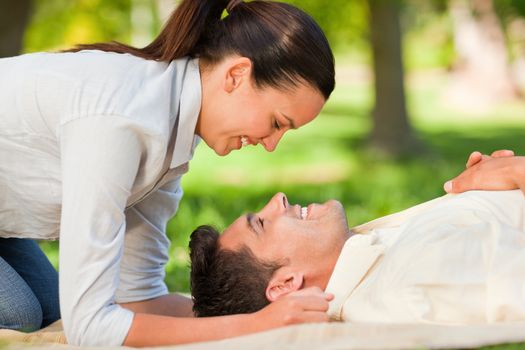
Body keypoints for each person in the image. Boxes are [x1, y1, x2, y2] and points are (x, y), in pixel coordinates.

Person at [0, 0, 335, 346]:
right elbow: (90, 327)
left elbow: (138, 298)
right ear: (236, 76)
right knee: (21, 314)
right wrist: (255, 326)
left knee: (52, 311)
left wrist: (269, 314)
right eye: (277, 122)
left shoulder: (171, 137)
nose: (271, 145)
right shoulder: (123, 121)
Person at [189, 154, 525, 324]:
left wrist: (496, 186)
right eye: (261, 224)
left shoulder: (378, 257)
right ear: (285, 284)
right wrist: (516, 171)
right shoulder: (413, 279)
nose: (278, 199)